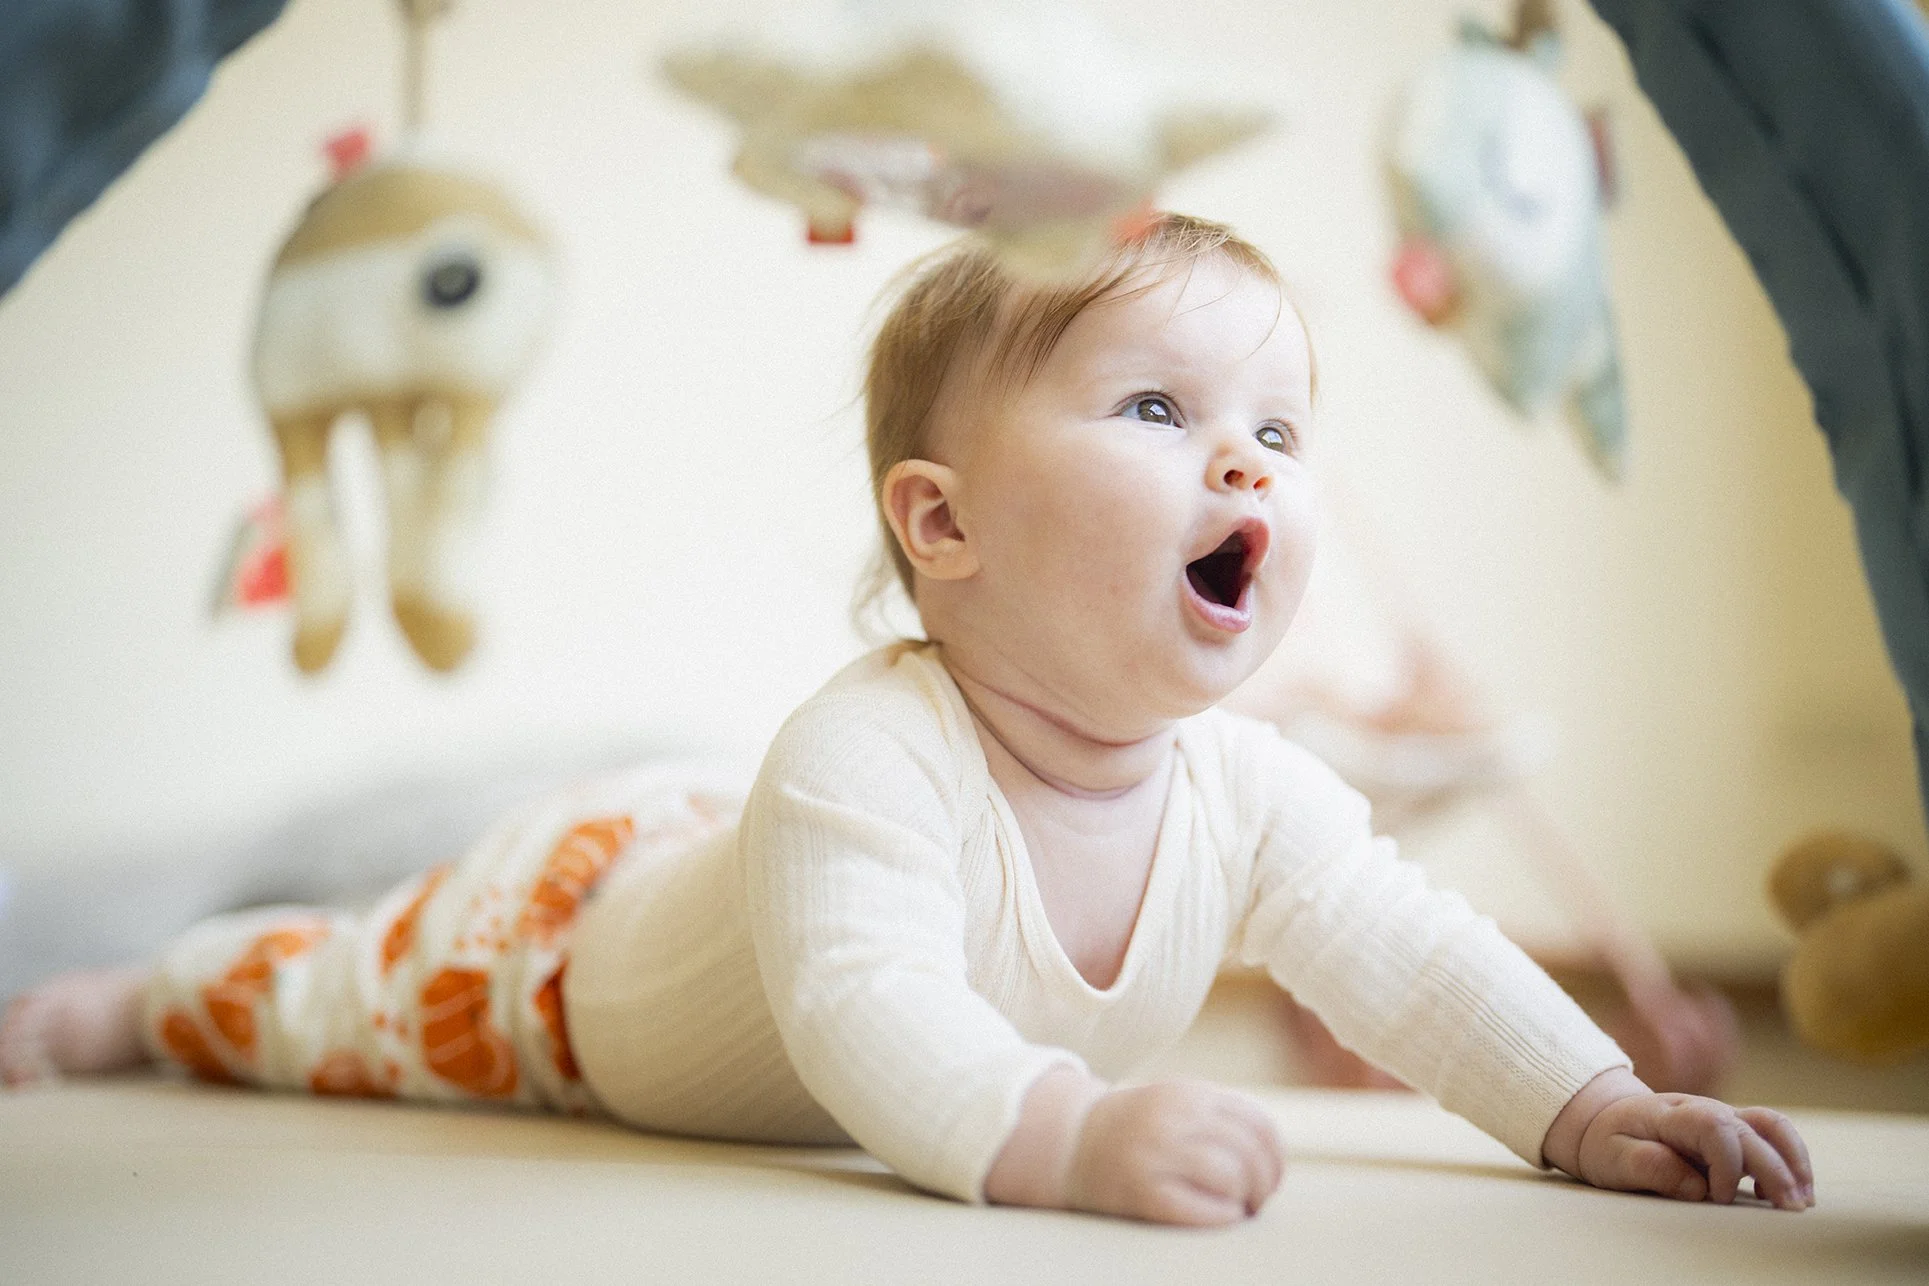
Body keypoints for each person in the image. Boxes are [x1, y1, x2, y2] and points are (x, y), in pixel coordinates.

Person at [0, 214, 1812, 1224]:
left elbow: (1409, 952)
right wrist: (1061, 1139)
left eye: (1281, 424)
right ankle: (120, 992)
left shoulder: (1252, 791)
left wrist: (1588, 1101)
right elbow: (872, 1017)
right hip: (549, 947)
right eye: (1160, 406)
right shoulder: (869, 753)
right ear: (942, 523)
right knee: (323, 996)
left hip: (716, 839)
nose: (1248, 454)